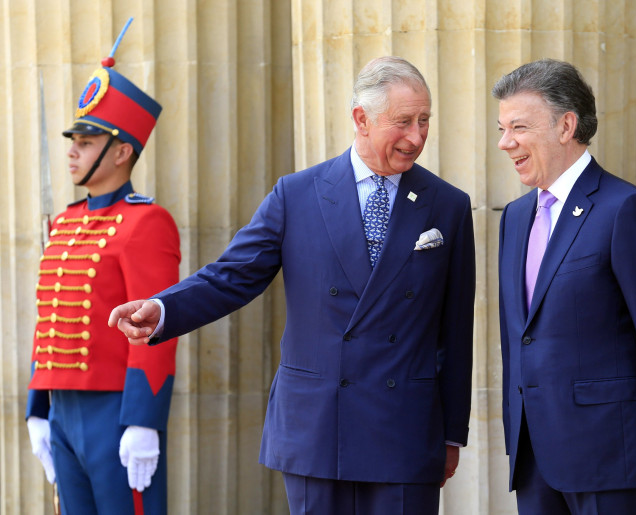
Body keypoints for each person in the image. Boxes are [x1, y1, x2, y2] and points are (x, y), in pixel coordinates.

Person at [109, 56, 475, 515]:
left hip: (405, 429)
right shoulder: (296, 194)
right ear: (361, 119)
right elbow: (231, 276)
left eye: (425, 121)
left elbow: (455, 333)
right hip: (317, 428)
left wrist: (451, 433)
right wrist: (163, 309)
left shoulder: (448, 206)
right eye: (403, 122)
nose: (417, 137)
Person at [493, 58, 636, 514]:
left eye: (518, 127)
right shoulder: (514, 218)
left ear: (566, 125)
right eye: (501, 128)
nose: (504, 142)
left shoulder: (625, 209)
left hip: (613, 454)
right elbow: (522, 336)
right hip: (534, 457)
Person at [26, 41, 180, 514]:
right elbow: (49, 316)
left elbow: (154, 329)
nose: (73, 153)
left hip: (114, 410)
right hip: (63, 407)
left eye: (86, 143)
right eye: (74, 142)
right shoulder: (68, 222)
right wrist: (38, 407)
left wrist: (143, 419)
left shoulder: (146, 222)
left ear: (121, 152)